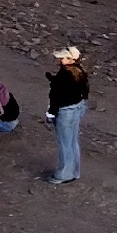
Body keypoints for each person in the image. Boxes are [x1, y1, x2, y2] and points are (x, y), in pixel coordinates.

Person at [46, 47, 90, 184]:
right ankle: (74, 172)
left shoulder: (63, 75)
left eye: (64, 57)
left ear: (71, 59)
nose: (60, 59)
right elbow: (84, 90)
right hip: (78, 107)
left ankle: (64, 174)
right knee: (72, 141)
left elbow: (56, 96)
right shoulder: (80, 71)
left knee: (64, 143)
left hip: (66, 112)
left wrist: (51, 113)